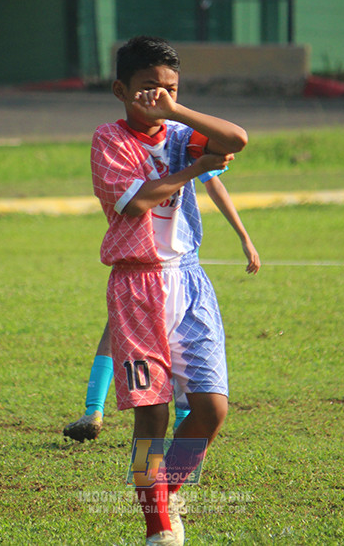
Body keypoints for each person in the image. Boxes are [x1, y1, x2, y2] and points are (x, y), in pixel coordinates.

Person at [90, 35, 248, 546]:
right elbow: (137, 203)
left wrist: (179, 109)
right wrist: (196, 168)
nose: (157, 99)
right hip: (137, 288)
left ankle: (171, 488)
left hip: (189, 281)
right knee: (153, 415)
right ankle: (159, 530)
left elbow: (236, 139)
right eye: (147, 89)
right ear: (120, 90)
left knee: (212, 409)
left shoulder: (180, 132)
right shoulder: (108, 140)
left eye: (169, 89)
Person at [63, 175, 260, 443]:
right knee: (150, 414)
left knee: (208, 405)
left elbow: (228, 150)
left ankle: (167, 476)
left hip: (178, 275)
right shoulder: (122, 141)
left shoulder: (182, 138)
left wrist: (244, 237)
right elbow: (132, 202)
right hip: (142, 276)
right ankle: (148, 482)